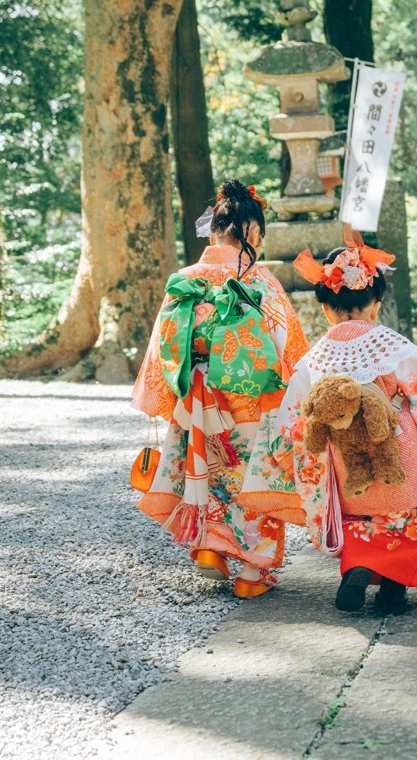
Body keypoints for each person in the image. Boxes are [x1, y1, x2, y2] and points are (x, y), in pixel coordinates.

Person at [239, 227, 417, 613]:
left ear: (326, 309)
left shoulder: (315, 359)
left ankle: (356, 567)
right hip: (399, 449)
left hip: (346, 460)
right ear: (376, 303)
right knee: (405, 516)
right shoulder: (392, 345)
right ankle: (394, 588)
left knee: (360, 515)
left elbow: (293, 420)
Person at [131, 180, 309, 598]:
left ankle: (211, 548)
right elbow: (288, 343)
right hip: (248, 400)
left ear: (214, 231)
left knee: (207, 472)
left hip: (194, 399)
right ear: (250, 234)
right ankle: (251, 574)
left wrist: (166, 395)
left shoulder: (184, 279)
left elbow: (162, 346)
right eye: (259, 237)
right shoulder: (260, 280)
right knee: (254, 477)